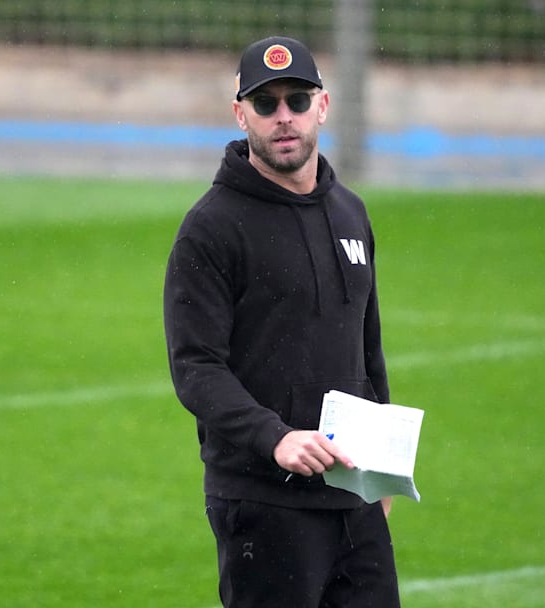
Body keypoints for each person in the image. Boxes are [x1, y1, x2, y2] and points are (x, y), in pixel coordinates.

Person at [163, 36, 401, 607]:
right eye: (265, 104)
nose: (283, 117)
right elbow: (196, 368)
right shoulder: (211, 229)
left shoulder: (350, 212)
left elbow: (367, 350)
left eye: (297, 100)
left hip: (354, 498)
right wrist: (276, 438)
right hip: (263, 504)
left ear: (323, 105)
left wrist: (385, 467)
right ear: (240, 114)